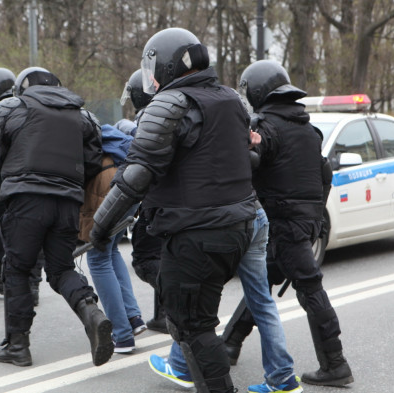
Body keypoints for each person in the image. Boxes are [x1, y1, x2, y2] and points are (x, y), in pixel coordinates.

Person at [90, 28, 257, 393]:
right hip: (235, 227)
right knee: (193, 323)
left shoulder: (170, 103)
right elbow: (248, 158)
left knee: (192, 327)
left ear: (163, 64)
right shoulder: (231, 99)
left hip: (196, 233)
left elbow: (135, 177)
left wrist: (99, 228)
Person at [221, 59, 354, 387]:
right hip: (302, 223)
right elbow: (325, 175)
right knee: (260, 282)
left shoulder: (265, 125)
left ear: (257, 91)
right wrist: (316, 219)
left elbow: (251, 162)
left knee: (308, 288)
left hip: (282, 223)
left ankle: (335, 363)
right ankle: (229, 344)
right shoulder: (307, 128)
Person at [0, 66, 112, 367]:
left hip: (27, 200)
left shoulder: (13, 107)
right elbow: (93, 161)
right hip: (67, 202)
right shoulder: (82, 116)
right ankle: (91, 312)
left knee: (17, 269)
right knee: (61, 269)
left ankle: (17, 345)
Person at [149, 206, 303, 393]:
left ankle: (180, 366)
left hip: (224, 219)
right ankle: (283, 377)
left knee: (203, 295)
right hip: (255, 214)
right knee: (262, 301)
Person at [0, 67, 44, 304]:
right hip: (34, 179)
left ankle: (3, 279)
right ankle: (33, 284)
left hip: (7, 181)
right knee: (31, 234)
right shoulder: (27, 105)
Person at [79, 122, 146, 353]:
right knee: (111, 250)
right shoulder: (102, 129)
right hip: (128, 180)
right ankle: (133, 318)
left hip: (104, 185)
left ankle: (122, 335)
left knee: (97, 258)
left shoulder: (65, 127)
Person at [118, 69, 168, 334]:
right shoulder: (172, 108)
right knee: (162, 255)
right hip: (173, 201)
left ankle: (171, 308)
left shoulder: (150, 117)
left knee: (145, 260)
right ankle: (162, 315)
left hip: (156, 201)